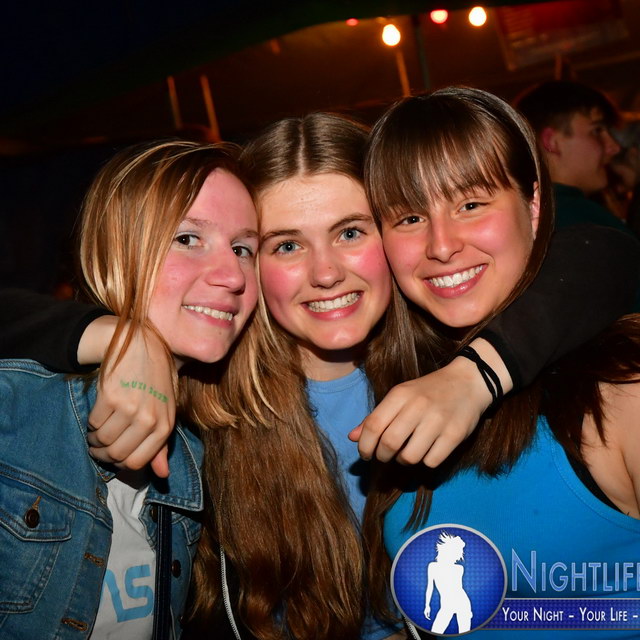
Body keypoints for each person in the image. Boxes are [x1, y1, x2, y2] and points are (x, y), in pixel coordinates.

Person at [2, 113, 640, 637]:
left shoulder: (469, 362)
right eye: (285, 244)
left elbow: (605, 254)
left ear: (393, 235)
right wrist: (119, 336)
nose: (326, 272)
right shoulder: (205, 405)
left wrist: (475, 376)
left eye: (351, 232)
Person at [362, 87, 640, 638]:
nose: (442, 245)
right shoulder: (399, 379)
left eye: (471, 204)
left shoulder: (620, 385)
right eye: (410, 217)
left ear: (533, 206)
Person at [0, 140, 261, 639]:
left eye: (242, 248)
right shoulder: (17, 414)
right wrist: (122, 336)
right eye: (188, 238)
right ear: (115, 250)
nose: (232, 276)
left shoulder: (205, 446)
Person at [514, 80, 625, 233]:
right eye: (597, 131)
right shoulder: (582, 219)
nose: (614, 147)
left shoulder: (522, 217)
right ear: (551, 141)